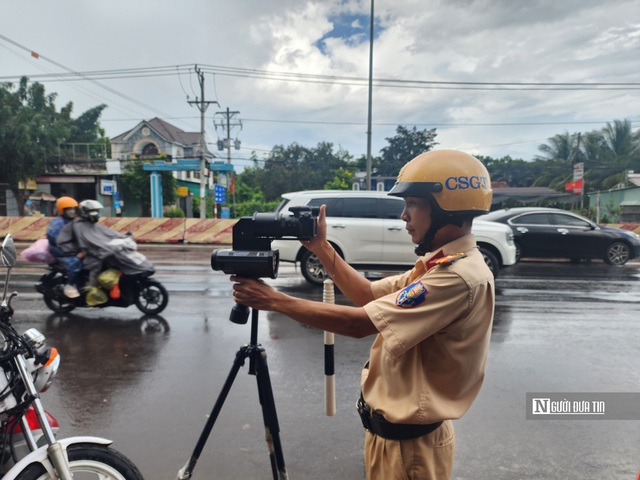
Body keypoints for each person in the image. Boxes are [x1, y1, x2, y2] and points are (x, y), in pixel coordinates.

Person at [231, 150, 495, 480]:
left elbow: (360, 324)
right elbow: (366, 295)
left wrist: (273, 300)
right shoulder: (437, 265)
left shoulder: (456, 277)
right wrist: (322, 249)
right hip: (391, 439)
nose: (403, 216)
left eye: (412, 203)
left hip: (410, 449)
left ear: (446, 210)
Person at [46, 196, 84, 298]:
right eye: (68, 209)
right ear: (62, 210)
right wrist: (76, 250)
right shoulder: (58, 222)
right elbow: (56, 239)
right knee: (76, 262)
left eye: (73, 208)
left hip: (72, 248)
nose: (72, 211)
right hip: (61, 250)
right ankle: (70, 285)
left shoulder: (76, 220)